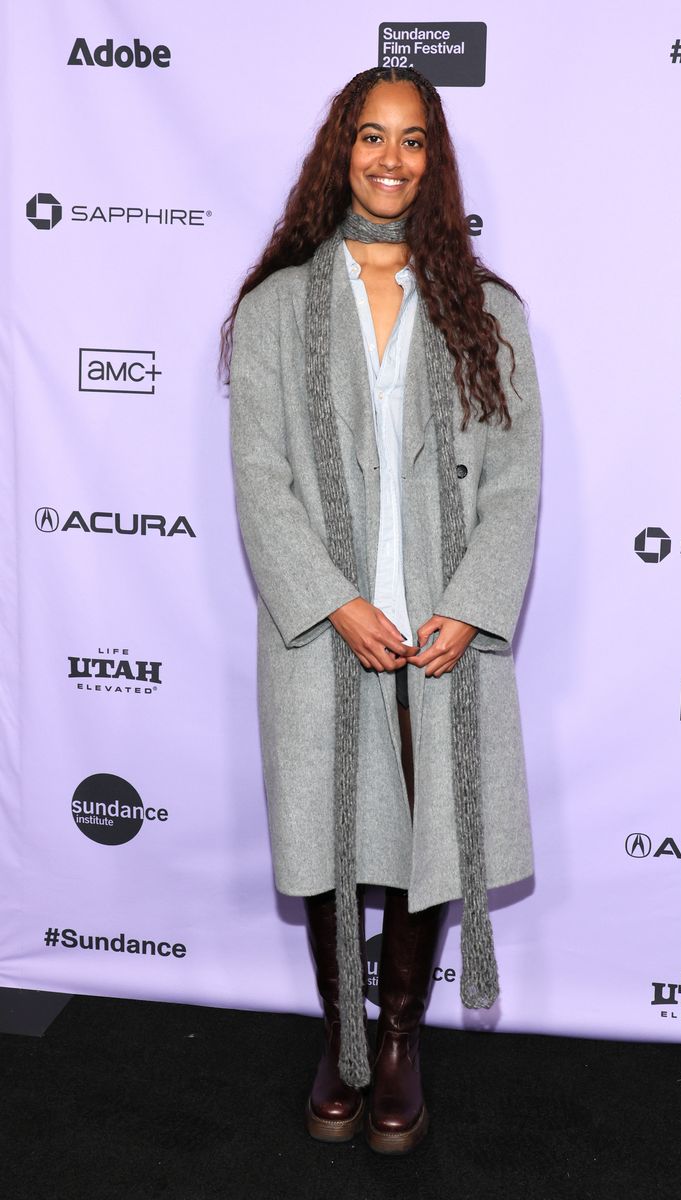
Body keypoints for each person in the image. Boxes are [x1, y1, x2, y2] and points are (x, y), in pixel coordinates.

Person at [221, 65, 543, 1155]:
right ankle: (341, 1037)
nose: (389, 159)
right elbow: (260, 475)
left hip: (438, 631)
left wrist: (469, 605)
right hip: (328, 629)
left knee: (420, 838)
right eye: (370, 136)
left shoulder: (486, 311)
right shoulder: (274, 310)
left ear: (433, 160)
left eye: (411, 140)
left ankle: (397, 1039)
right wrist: (330, 601)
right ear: (340, 150)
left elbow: (515, 481)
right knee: (325, 828)